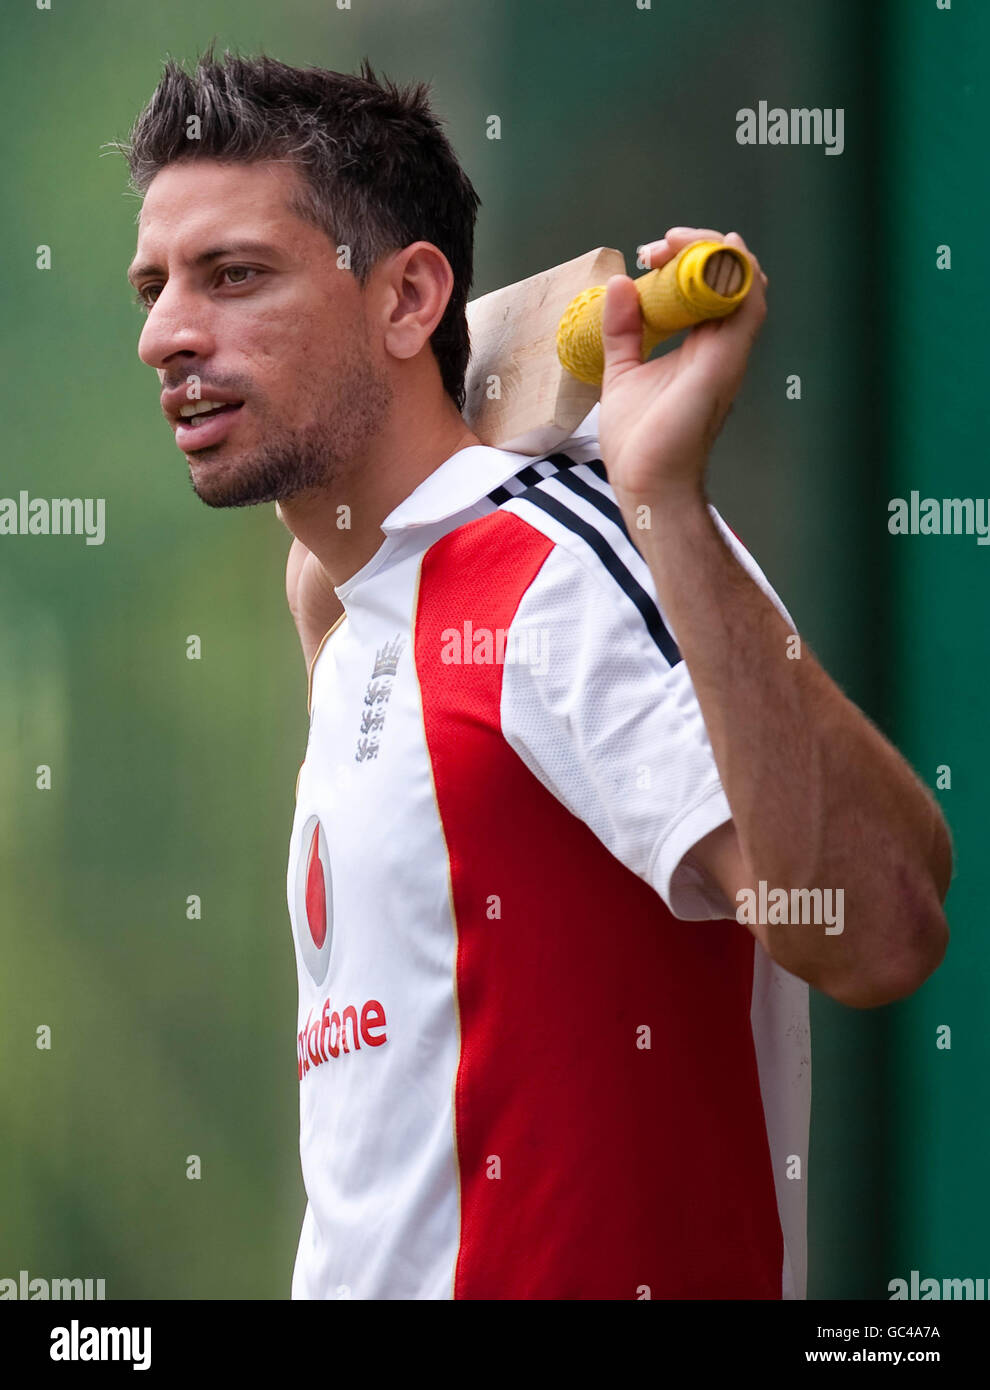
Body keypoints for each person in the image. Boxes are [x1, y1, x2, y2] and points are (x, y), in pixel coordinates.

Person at [114, 48, 952, 1300]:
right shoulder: (352, 619)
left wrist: (663, 494)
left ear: (409, 303)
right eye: (155, 287)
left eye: (236, 276)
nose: (166, 335)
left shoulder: (565, 560)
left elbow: (880, 928)